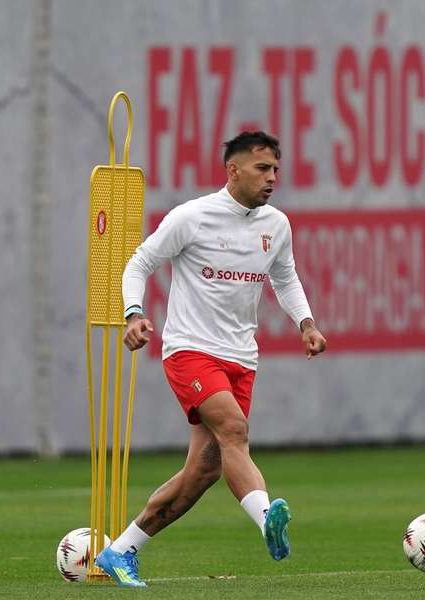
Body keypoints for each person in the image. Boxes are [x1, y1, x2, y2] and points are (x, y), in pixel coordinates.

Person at [95, 131, 326, 587]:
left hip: (242, 357)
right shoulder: (193, 217)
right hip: (190, 350)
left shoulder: (276, 225)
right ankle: (268, 520)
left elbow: (286, 278)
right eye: (263, 169)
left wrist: (307, 324)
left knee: (203, 472)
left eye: (276, 169)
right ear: (233, 170)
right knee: (235, 431)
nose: (272, 178)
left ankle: (120, 551)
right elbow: (139, 263)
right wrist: (134, 314)